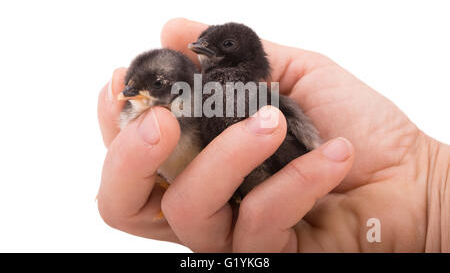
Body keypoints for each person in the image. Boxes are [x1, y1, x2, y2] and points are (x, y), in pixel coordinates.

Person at [96, 18, 449, 252]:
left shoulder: (250, 96)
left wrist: (429, 195)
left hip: (287, 172)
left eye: (225, 45)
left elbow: (296, 129)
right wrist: (424, 199)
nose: (200, 48)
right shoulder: (202, 97)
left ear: (243, 55)